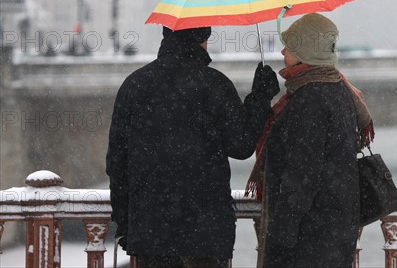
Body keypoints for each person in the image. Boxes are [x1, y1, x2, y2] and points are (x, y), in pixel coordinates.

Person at [106, 26, 280, 268]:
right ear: (201, 39)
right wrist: (260, 97)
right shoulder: (214, 84)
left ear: (167, 36)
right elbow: (241, 146)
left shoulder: (133, 85)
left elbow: (117, 163)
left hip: (150, 230)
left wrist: (125, 225)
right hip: (205, 232)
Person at [246, 13, 374, 268]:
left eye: (290, 46)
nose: (283, 50)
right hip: (331, 231)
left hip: (308, 239)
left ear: (306, 51)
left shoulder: (310, 99)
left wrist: (281, 235)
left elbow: (302, 173)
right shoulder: (335, 87)